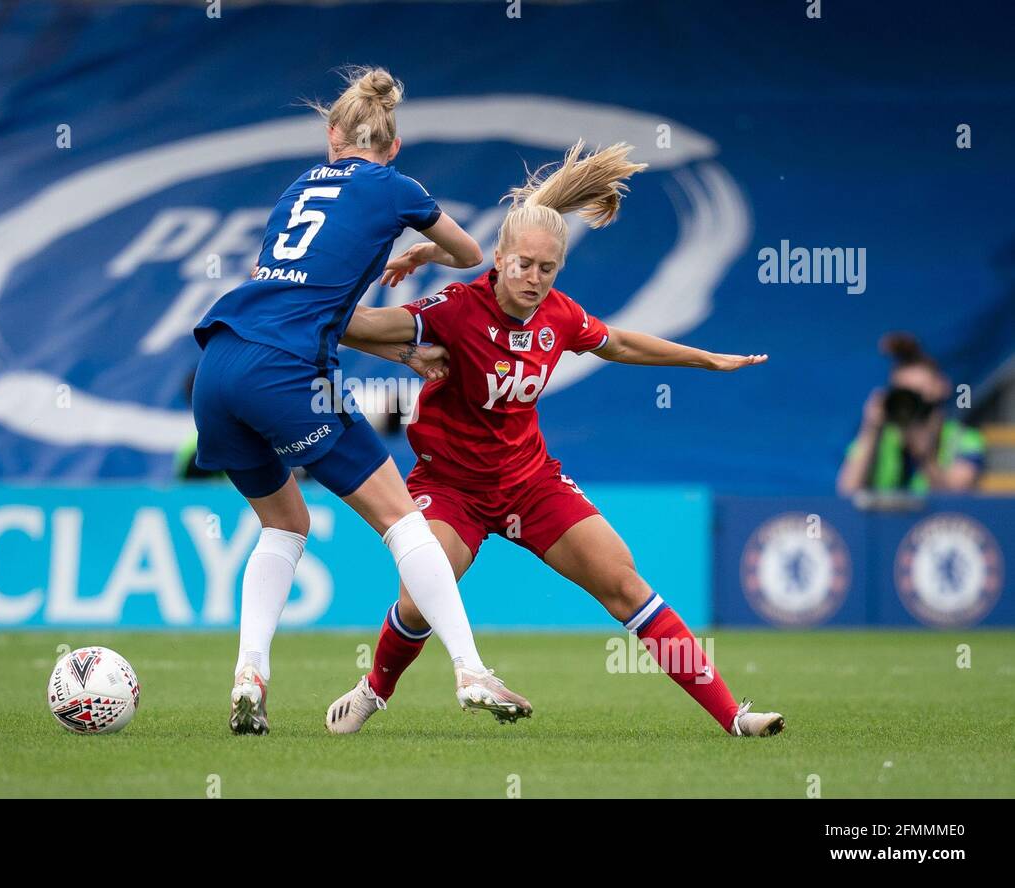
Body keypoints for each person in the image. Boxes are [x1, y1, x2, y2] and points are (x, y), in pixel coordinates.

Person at [326, 139, 785, 737]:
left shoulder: (560, 317)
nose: (534, 279)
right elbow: (349, 323)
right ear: (498, 258)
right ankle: (372, 691)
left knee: (625, 585)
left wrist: (702, 360)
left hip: (529, 484)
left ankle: (735, 717)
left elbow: (619, 343)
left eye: (547, 269)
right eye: (523, 265)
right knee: (419, 598)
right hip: (451, 485)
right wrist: (403, 322)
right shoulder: (453, 308)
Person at [191, 67, 530, 735]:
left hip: (219, 363)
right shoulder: (394, 185)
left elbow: (306, 296)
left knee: (284, 525)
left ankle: (249, 676)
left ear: (332, 136)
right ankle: (470, 668)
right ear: (394, 145)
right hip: (286, 372)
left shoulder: (295, 191)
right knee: (403, 522)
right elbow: (468, 255)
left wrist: (397, 348)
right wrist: (421, 249)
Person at [837, 333, 984, 495]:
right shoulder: (883, 438)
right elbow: (847, 493)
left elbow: (957, 504)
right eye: (905, 395)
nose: (913, 405)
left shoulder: (963, 439)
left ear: (942, 388)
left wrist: (925, 459)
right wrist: (870, 430)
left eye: (919, 395)